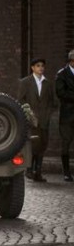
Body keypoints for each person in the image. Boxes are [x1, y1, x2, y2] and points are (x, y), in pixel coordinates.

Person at [18, 58, 58, 182]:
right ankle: (29, 170)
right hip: (31, 119)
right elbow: (20, 99)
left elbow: (54, 101)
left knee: (43, 145)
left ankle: (38, 172)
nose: (41, 68)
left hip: (44, 119)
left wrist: (48, 112)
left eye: (42, 66)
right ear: (32, 68)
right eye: (38, 66)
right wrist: (28, 112)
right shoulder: (25, 82)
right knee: (33, 144)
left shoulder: (48, 83)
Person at [55, 50, 74, 182]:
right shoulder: (62, 74)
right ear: (71, 61)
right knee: (66, 143)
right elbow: (61, 93)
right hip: (68, 114)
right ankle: (66, 172)